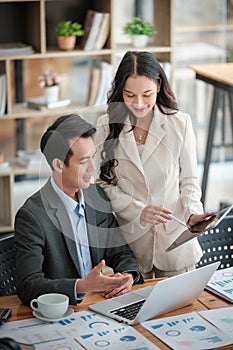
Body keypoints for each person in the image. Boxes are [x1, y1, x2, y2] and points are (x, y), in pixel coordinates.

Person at [95, 51, 214, 278]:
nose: (139, 104)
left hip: (176, 248)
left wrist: (193, 213)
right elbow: (102, 183)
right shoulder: (106, 125)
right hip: (131, 249)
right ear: (121, 91)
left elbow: (189, 181)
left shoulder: (180, 124)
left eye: (146, 94)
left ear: (159, 85)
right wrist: (138, 211)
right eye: (130, 95)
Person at [14, 114, 143, 306]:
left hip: (98, 306)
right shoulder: (32, 216)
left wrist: (127, 276)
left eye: (93, 157)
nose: (92, 168)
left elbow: (121, 253)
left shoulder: (96, 196)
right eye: (84, 161)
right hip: (61, 313)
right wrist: (81, 286)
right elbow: (28, 285)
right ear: (58, 165)